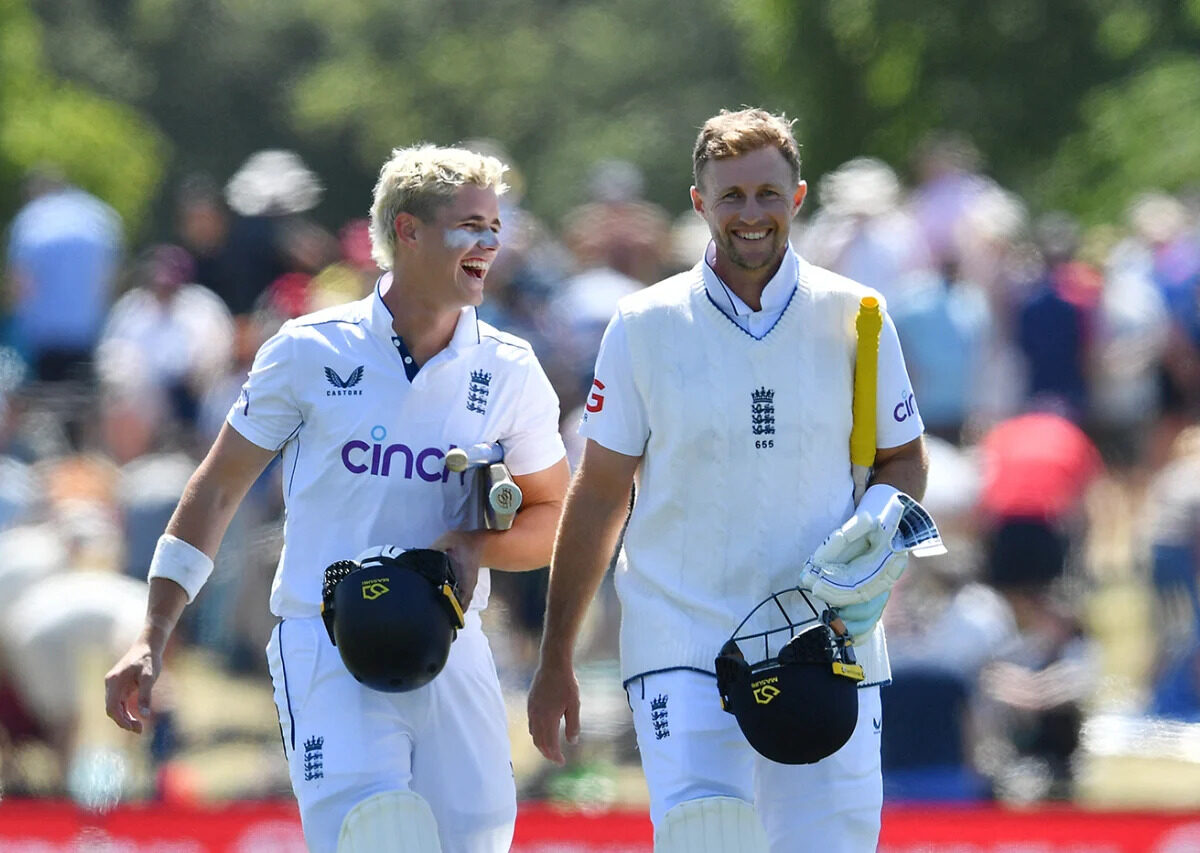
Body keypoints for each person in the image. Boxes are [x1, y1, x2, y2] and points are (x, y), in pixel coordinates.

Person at [105, 145, 571, 853]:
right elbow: (218, 484)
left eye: (494, 225)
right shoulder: (309, 347)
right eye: (469, 224)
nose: (489, 244)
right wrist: (153, 629)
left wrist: (475, 547)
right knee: (376, 834)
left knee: (474, 841)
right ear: (408, 231)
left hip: (452, 643)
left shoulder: (510, 367)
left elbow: (552, 519)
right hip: (325, 643)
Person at [527, 108, 929, 852]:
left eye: (768, 194)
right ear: (699, 202)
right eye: (733, 196)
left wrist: (875, 528)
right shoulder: (643, 324)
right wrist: (557, 659)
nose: (752, 214)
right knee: (707, 836)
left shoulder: (859, 315)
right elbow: (600, 493)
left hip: (827, 640)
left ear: (798, 198)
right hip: (683, 637)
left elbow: (903, 458)